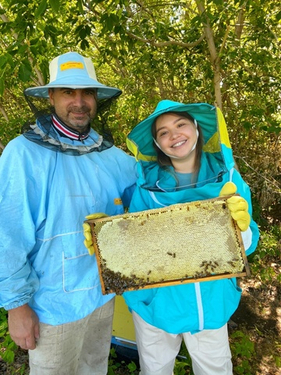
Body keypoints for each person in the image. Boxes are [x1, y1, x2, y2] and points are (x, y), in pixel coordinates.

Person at [0, 51, 136, 375]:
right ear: (51, 96)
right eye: (68, 92)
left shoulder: (114, 157)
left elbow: (150, 199)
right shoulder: (23, 154)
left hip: (103, 300)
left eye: (87, 92)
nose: (79, 101)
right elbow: (8, 236)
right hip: (52, 309)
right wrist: (16, 307)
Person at [122, 100, 260, 375]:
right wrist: (109, 239)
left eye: (181, 124)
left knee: (215, 370)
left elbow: (248, 244)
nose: (174, 135)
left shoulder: (229, 177)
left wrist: (241, 228)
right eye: (163, 132)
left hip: (209, 301)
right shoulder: (146, 188)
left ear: (197, 128)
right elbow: (133, 249)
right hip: (156, 304)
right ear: (157, 144)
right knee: (154, 370)